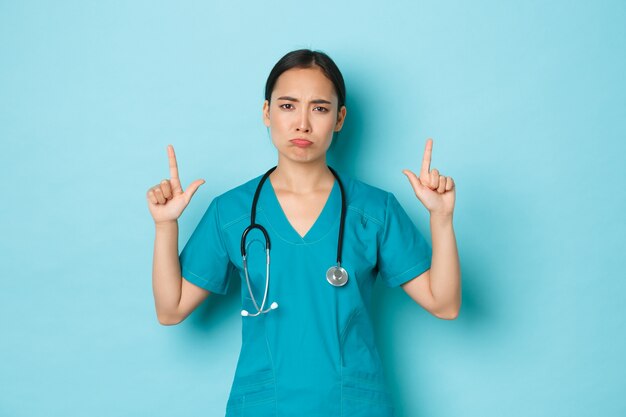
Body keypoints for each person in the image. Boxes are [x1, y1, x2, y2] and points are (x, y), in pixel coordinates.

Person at [147, 49, 461, 417]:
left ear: (339, 118)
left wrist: (441, 218)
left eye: (320, 108)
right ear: (266, 113)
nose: (302, 124)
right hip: (265, 405)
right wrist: (165, 225)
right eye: (287, 106)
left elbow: (445, 303)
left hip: (352, 406)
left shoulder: (375, 210)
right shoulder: (231, 211)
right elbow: (171, 309)